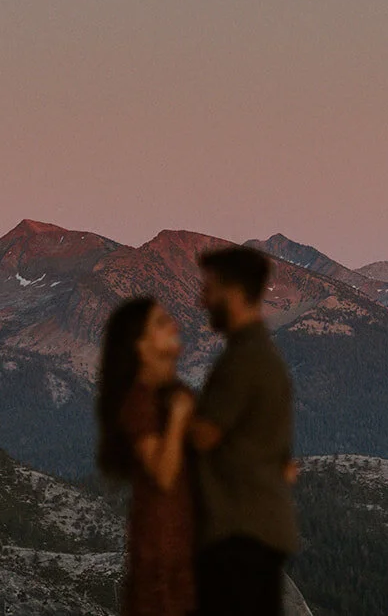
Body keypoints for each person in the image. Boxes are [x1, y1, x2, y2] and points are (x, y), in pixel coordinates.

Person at [189, 245, 299, 616]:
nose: (202, 299)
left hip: (237, 535)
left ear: (233, 293)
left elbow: (201, 437)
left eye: (210, 288)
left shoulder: (243, 361)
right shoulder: (263, 356)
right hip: (259, 531)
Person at [97, 296, 196, 616]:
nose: (174, 326)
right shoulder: (139, 403)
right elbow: (163, 474)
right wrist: (180, 419)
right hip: (160, 565)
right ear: (140, 345)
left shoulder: (163, 396)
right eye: (161, 323)